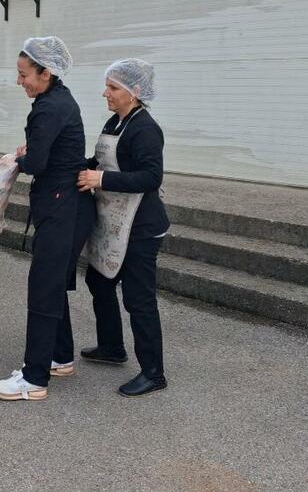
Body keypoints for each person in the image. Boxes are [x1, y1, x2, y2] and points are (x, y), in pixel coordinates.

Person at [0, 37, 96, 401]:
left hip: (61, 206)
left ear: (46, 72)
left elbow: (36, 163)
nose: (20, 82)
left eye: (24, 75)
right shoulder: (57, 100)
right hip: (68, 204)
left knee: (43, 287)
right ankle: (60, 356)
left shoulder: (49, 107)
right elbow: (44, 153)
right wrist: (31, 153)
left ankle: (34, 379)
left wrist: (19, 159)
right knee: (53, 284)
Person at [76, 58, 170, 398]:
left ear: (135, 91)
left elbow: (150, 176)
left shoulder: (145, 128)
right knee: (99, 281)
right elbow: (102, 160)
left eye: (113, 88)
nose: (106, 93)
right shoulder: (116, 122)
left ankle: (153, 372)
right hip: (113, 221)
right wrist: (78, 165)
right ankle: (112, 347)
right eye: (107, 86)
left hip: (141, 227)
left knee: (138, 298)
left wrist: (100, 178)